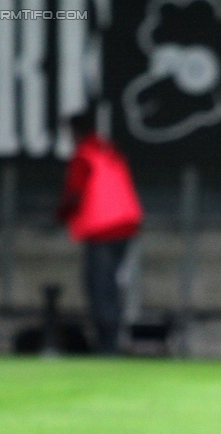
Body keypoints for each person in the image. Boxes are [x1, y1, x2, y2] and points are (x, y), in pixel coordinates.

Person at [57, 109, 143, 355]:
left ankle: (107, 346)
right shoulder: (109, 150)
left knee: (100, 288)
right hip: (126, 225)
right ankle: (112, 340)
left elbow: (73, 194)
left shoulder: (84, 154)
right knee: (112, 287)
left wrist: (59, 216)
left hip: (103, 228)